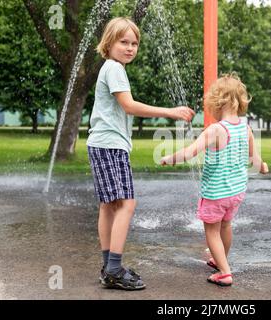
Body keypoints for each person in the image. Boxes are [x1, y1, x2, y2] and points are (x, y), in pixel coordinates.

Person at [87, 17, 195, 291]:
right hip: (110, 145)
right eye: (123, 42)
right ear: (109, 43)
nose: (130, 48)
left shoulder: (112, 68)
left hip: (103, 144)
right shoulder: (114, 69)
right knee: (126, 204)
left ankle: (108, 266)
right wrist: (170, 112)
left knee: (110, 205)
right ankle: (113, 268)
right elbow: (129, 106)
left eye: (134, 43)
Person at [160, 74, 268, 286]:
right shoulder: (245, 129)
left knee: (211, 231)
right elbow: (254, 160)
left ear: (216, 102)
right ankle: (221, 261)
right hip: (236, 192)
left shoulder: (216, 130)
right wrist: (263, 166)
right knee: (226, 226)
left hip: (216, 193)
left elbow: (190, 152)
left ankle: (225, 273)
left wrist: (169, 158)